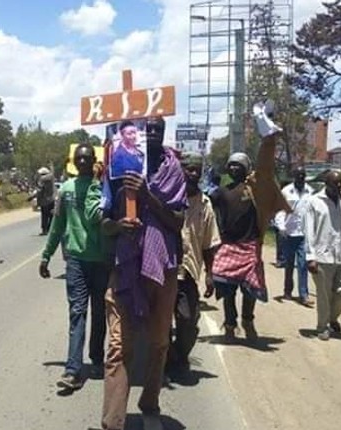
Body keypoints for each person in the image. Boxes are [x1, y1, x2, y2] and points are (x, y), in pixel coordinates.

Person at [101, 116, 187, 430]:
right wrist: (118, 226)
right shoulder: (118, 166)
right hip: (126, 268)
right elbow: (105, 221)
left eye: (156, 129)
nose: (149, 133)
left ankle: (150, 400)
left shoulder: (172, 170)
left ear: (163, 133)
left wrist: (148, 195)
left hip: (161, 270)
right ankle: (112, 422)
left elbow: (177, 222)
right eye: (144, 128)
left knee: (159, 342)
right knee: (118, 348)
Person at [210, 102, 290, 342]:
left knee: (250, 290)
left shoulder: (255, 187)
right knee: (227, 289)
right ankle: (230, 324)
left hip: (249, 246)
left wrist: (267, 140)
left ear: (246, 168)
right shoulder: (221, 192)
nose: (234, 167)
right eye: (231, 164)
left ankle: (248, 320)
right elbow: (205, 208)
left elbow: (265, 168)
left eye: (239, 164)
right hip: (228, 246)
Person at [38, 144, 108, 391]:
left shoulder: (103, 188)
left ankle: (98, 359)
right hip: (76, 261)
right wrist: (46, 256)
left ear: (94, 160)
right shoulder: (65, 190)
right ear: (73, 161)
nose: (83, 162)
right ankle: (73, 369)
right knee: (77, 312)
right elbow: (57, 225)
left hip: (102, 260)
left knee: (100, 311)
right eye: (79, 158)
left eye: (87, 158)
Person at [167, 153, 221, 376]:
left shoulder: (205, 204)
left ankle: (179, 355)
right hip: (164, 270)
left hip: (188, 273)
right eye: (189, 168)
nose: (193, 173)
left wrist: (210, 274)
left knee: (188, 321)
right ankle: (165, 357)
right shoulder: (166, 197)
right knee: (158, 323)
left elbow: (209, 244)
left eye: (197, 169)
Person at [303, 171, 341, 341]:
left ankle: (332, 317)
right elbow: (309, 231)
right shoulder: (314, 202)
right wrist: (310, 257)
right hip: (322, 255)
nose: (339, 187)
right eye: (336, 184)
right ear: (326, 184)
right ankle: (323, 326)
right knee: (324, 294)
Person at [274, 166, 315, 306]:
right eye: (298, 175)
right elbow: (279, 210)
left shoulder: (310, 191)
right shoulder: (286, 191)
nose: (301, 178)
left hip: (304, 234)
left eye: (303, 175)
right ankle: (287, 291)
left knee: (303, 265)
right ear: (294, 176)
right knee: (289, 264)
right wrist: (281, 227)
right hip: (289, 233)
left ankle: (304, 295)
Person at [32, 167, 56, 235]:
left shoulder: (42, 180)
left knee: (44, 216)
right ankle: (50, 229)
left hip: (44, 201)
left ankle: (45, 230)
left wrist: (34, 197)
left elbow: (40, 190)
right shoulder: (51, 178)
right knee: (51, 216)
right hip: (51, 199)